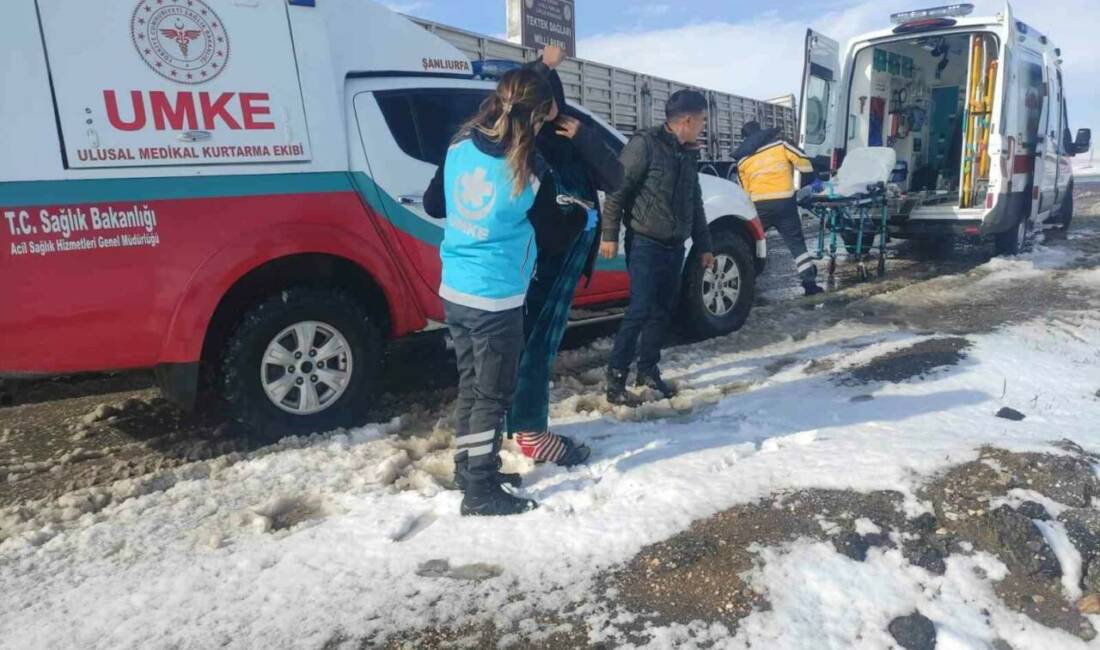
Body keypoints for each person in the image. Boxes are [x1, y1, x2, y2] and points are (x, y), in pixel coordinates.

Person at [427, 47, 624, 470]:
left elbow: (616, 176)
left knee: (486, 373)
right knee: (524, 351)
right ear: (535, 106)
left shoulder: (475, 140)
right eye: (547, 100)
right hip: (519, 269)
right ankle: (504, 453)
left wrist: (583, 136)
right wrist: (581, 217)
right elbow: (552, 224)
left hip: (478, 274)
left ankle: (480, 462)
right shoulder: (526, 153)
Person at [435, 68, 556, 516]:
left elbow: (435, 201)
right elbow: (546, 224)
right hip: (496, 296)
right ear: (538, 116)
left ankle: (467, 468)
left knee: (472, 386)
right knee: (492, 396)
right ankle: (480, 491)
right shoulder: (529, 166)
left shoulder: (459, 144)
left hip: (456, 286)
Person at [600, 90, 715, 406]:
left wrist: (704, 245)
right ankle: (616, 379)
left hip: (674, 246)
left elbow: (695, 201)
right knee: (639, 310)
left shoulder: (687, 152)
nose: (703, 126)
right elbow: (616, 190)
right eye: (702, 120)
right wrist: (609, 234)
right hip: (645, 243)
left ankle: (648, 370)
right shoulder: (645, 145)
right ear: (688, 120)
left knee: (662, 311)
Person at [733, 121, 824, 296]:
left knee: (752, 243)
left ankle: (745, 282)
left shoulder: (742, 161)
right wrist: (811, 179)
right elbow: (802, 160)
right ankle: (809, 284)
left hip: (759, 206)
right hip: (784, 203)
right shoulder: (781, 145)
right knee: (796, 243)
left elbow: (743, 189)